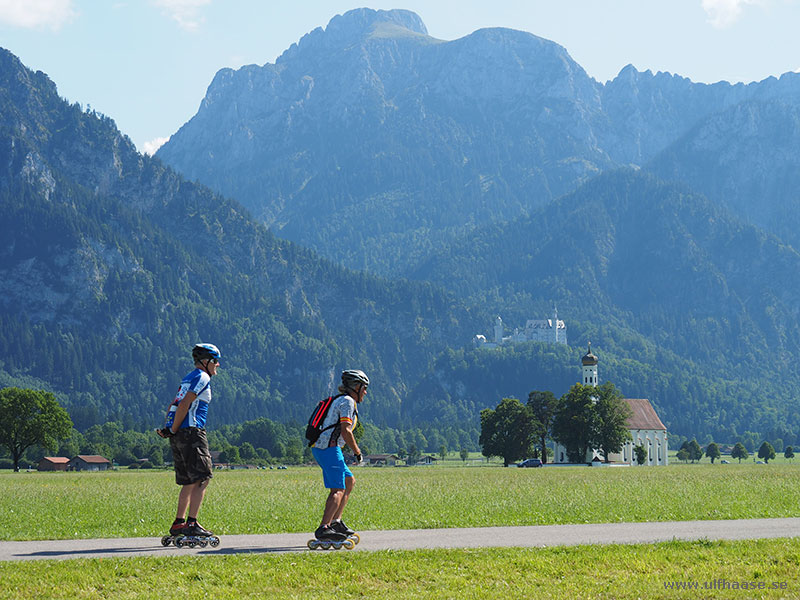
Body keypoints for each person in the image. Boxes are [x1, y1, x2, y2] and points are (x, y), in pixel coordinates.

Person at [157, 343, 221, 539]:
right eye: (215, 361)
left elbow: (173, 404)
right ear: (205, 361)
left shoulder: (188, 378)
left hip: (179, 434)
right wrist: (175, 429)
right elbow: (185, 404)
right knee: (203, 477)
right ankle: (192, 523)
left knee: (189, 481)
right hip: (193, 433)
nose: (217, 365)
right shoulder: (202, 377)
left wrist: (170, 429)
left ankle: (179, 523)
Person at [311, 369, 368, 541]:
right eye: (364, 388)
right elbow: (346, 431)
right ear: (355, 386)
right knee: (338, 488)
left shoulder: (342, 400)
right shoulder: (348, 402)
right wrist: (357, 452)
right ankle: (324, 528)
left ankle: (335, 522)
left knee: (349, 481)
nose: (365, 392)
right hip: (328, 448)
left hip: (326, 447)